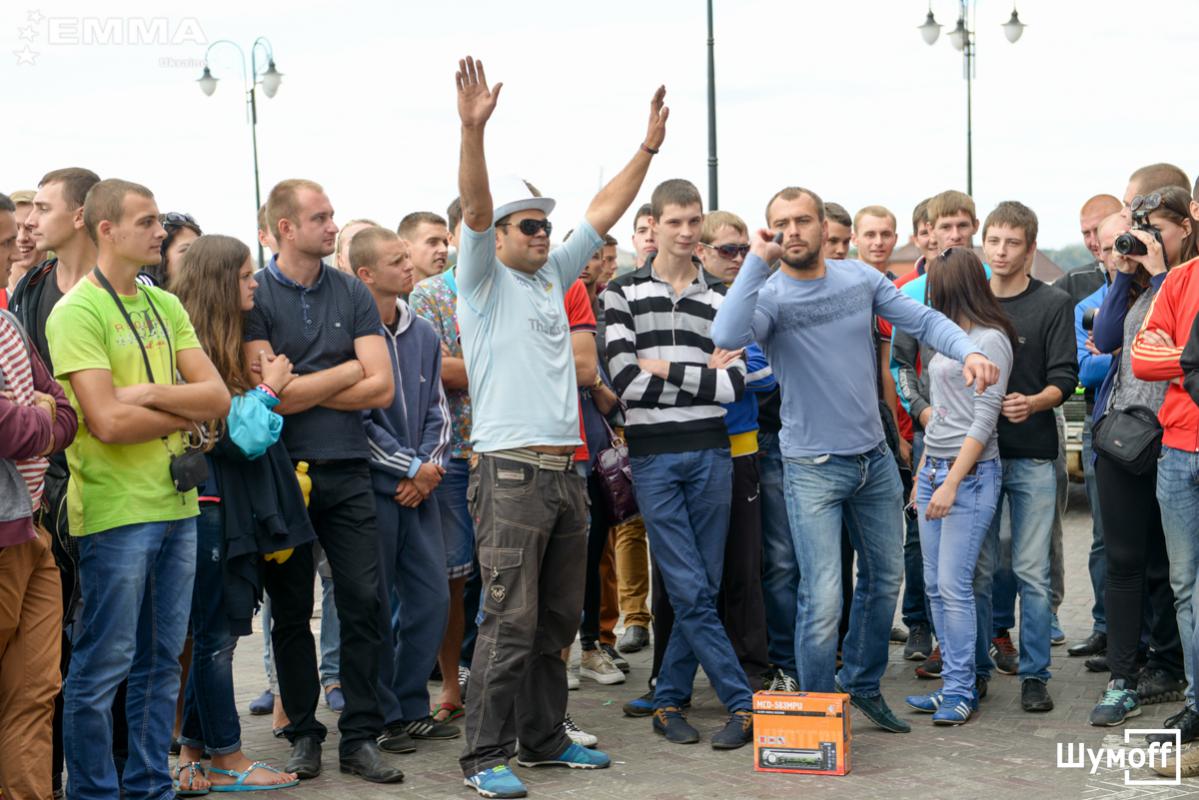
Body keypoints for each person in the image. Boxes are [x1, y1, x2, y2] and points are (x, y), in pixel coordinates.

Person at [711, 185, 999, 734]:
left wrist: (970, 350)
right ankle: (819, 713)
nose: (793, 231)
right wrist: (756, 260)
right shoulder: (769, 296)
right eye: (781, 224)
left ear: (823, 227)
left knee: (885, 581)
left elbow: (925, 321)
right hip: (811, 467)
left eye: (802, 220)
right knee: (822, 598)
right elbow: (725, 333)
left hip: (874, 461)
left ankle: (862, 685)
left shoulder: (861, 279)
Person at [453, 55, 664, 798]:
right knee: (507, 624)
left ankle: (543, 739)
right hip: (508, 472)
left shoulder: (550, 276)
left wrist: (647, 149)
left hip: (565, 471)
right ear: (498, 235)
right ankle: (483, 757)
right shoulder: (480, 280)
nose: (544, 233)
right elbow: (476, 208)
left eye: (547, 223)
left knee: (554, 623)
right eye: (529, 224)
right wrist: (472, 131)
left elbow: (602, 211)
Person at [47, 178, 231, 800]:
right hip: (115, 513)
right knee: (103, 666)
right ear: (107, 229)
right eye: (147, 221)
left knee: (160, 662)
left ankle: (150, 786)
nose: (160, 231)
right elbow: (106, 422)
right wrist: (184, 413)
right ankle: (93, 793)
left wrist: (151, 394)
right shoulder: (77, 311)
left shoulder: (164, 304)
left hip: (177, 505)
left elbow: (218, 397)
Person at [245, 178, 401, 784]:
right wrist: (344, 372)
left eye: (333, 215)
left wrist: (302, 383)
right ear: (285, 228)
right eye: (320, 217)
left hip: (349, 469)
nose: (333, 226)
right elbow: (271, 399)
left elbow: (381, 386)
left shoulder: (352, 290)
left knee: (364, 601)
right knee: (289, 611)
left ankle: (360, 736)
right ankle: (303, 734)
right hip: (282, 474)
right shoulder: (256, 295)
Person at [169, 233, 309, 791]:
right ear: (219, 281)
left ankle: (195, 754)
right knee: (214, 638)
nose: (255, 285)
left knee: (216, 632)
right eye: (247, 276)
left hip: (229, 505)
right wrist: (270, 390)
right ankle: (227, 757)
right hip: (209, 506)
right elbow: (235, 434)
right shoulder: (194, 346)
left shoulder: (220, 341)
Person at [349, 226, 460, 750]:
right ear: (366, 274)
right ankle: (383, 715)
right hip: (375, 490)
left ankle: (412, 702)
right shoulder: (350, 333)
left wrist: (427, 469)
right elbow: (357, 419)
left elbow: (440, 409)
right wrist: (407, 468)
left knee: (432, 599)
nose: (409, 266)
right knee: (374, 605)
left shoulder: (424, 333)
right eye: (396, 261)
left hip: (421, 489)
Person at [1088, 191, 1196, 727]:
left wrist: (1159, 277)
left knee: (1175, 570)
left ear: (1184, 226)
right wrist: (1123, 273)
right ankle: (1122, 678)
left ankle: (1171, 667)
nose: (1146, 239)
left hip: (1175, 435)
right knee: (1126, 561)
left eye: (1156, 230)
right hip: (1127, 438)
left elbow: (1182, 349)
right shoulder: (1138, 284)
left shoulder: (1183, 281)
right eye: (1140, 229)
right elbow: (1108, 338)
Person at [970, 201, 1076, 712]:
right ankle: (974, 671)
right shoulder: (971, 303)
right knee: (978, 570)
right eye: (994, 241)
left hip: (1032, 453)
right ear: (983, 243)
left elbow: (1065, 376)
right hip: (978, 456)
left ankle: (1035, 674)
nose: (1001, 252)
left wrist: (1033, 402)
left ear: (1030, 248)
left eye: (1012, 243)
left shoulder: (1053, 303)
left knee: (1032, 571)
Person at [902, 248, 1014, 726]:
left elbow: (984, 422)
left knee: (954, 585)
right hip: (935, 470)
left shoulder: (991, 340)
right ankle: (952, 682)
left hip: (971, 476)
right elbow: (944, 413)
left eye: (936, 289)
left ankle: (963, 689)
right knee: (933, 585)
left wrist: (950, 482)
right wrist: (924, 472)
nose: (930, 298)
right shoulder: (947, 336)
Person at [0, 190, 77, 800]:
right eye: (3, 243)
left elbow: (66, 411)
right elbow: (11, 428)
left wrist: (40, 416)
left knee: (36, 690)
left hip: (32, 530)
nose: (14, 253)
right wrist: (41, 416)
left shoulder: (8, 323)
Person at [1131, 181, 1199, 748]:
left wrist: (1176, 356)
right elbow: (1140, 358)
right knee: (1185, 586)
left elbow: (1162, 357)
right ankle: (1198, 705)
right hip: (1178, 451)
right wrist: (1193, 357)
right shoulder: (1178, 280)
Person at [410, 198, 479, 725]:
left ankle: (503, 684)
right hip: (452, 454)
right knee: (452, 576)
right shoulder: (429, 294)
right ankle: (450, 685)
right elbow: (438, 371)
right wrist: (508, 364)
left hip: (509, 449)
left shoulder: (515, 287)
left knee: (511, 575)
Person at [1064, 193, 1123, 662]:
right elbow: (1084, 371)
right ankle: (1106, 628)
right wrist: (1129, 355)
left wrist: (1116, 353)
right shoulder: (1086, 300)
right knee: (1104, 535)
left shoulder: (1156, 289)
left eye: (1098, 232)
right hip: (1100, 423)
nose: (1092, 243)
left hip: (1151, 426)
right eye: (1085, 234)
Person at [398, 212, 451, 282]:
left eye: (445, 243)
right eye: (433, 242)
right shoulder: (387, 288)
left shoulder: (460, 287)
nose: (444, 249)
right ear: (405, 247)